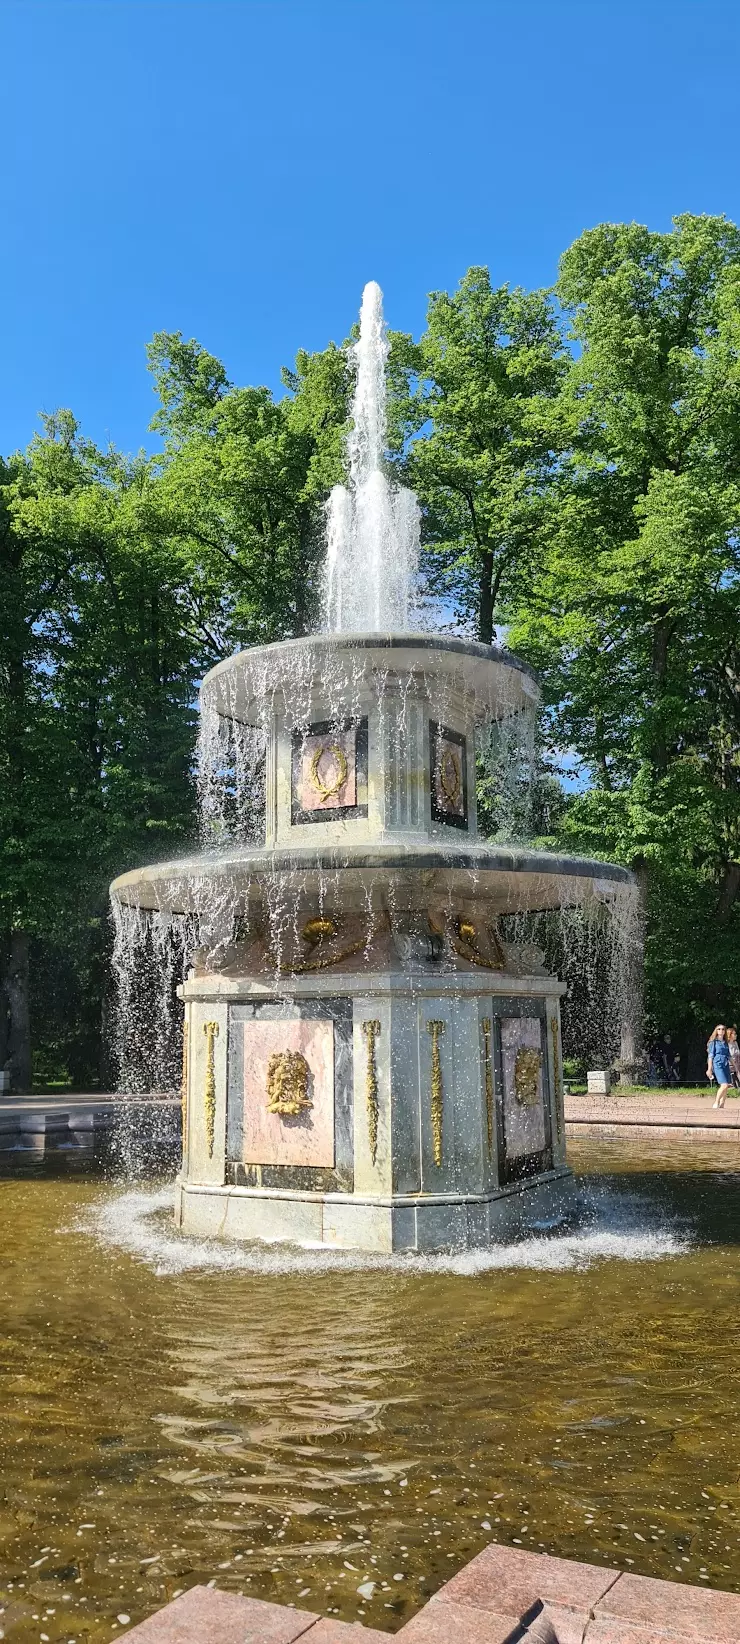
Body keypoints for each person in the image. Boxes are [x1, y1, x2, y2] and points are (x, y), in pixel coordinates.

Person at [707, 1024, 732, 1108]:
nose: (721, 1030)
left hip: (725, 1064)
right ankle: (716, 1102)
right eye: (719, 1029)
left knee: (727, 1085)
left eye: (723, 1029)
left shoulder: (725, 1043)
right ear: (716, 1031)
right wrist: (709, 1069)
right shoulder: (713, 1042)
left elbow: (729, 1056)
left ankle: (722, 1103)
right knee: (724, 1084)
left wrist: (736, 1067)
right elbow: (710, 1056)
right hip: (717, 1064)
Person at [728, 1026, 740, 1091]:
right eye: (734, 1034)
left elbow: (738, 1053)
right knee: (733, 1083)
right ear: (730, 1035)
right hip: (730, 1065)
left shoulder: (735, 1043)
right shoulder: (726, 1044)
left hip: (737, 1064)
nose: (736, 1035)